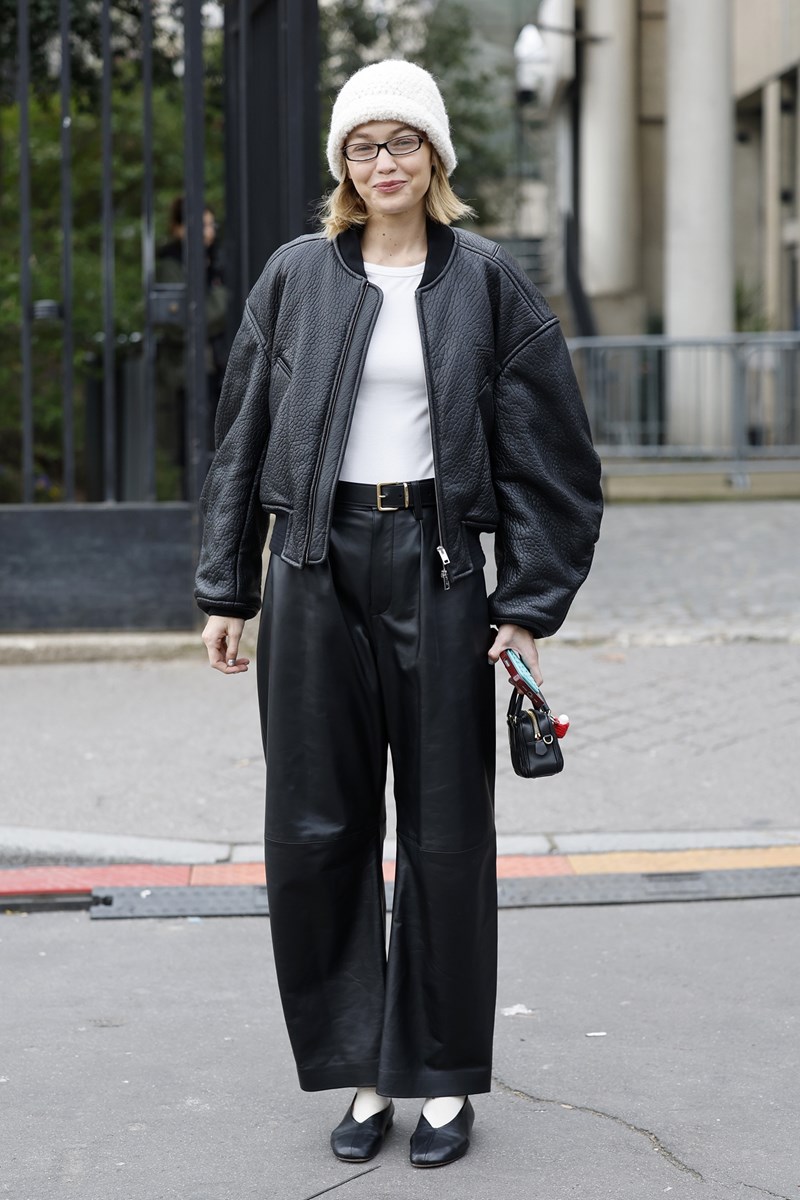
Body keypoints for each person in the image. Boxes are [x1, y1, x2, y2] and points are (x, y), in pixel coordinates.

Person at [195, 59, 602, 1169]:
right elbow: (240, 438)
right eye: (364, 146)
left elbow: (555, 460)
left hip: (437, 564)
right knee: (316, 829)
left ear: (435, 157)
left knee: (445, 834)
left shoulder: (487, 282)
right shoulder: (294, 276)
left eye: (403, 142)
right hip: (311, 565)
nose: (384, 163)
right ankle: (364, 1075)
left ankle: (442, 1080)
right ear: (343, 164)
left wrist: (528, 602)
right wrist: (227, 587)